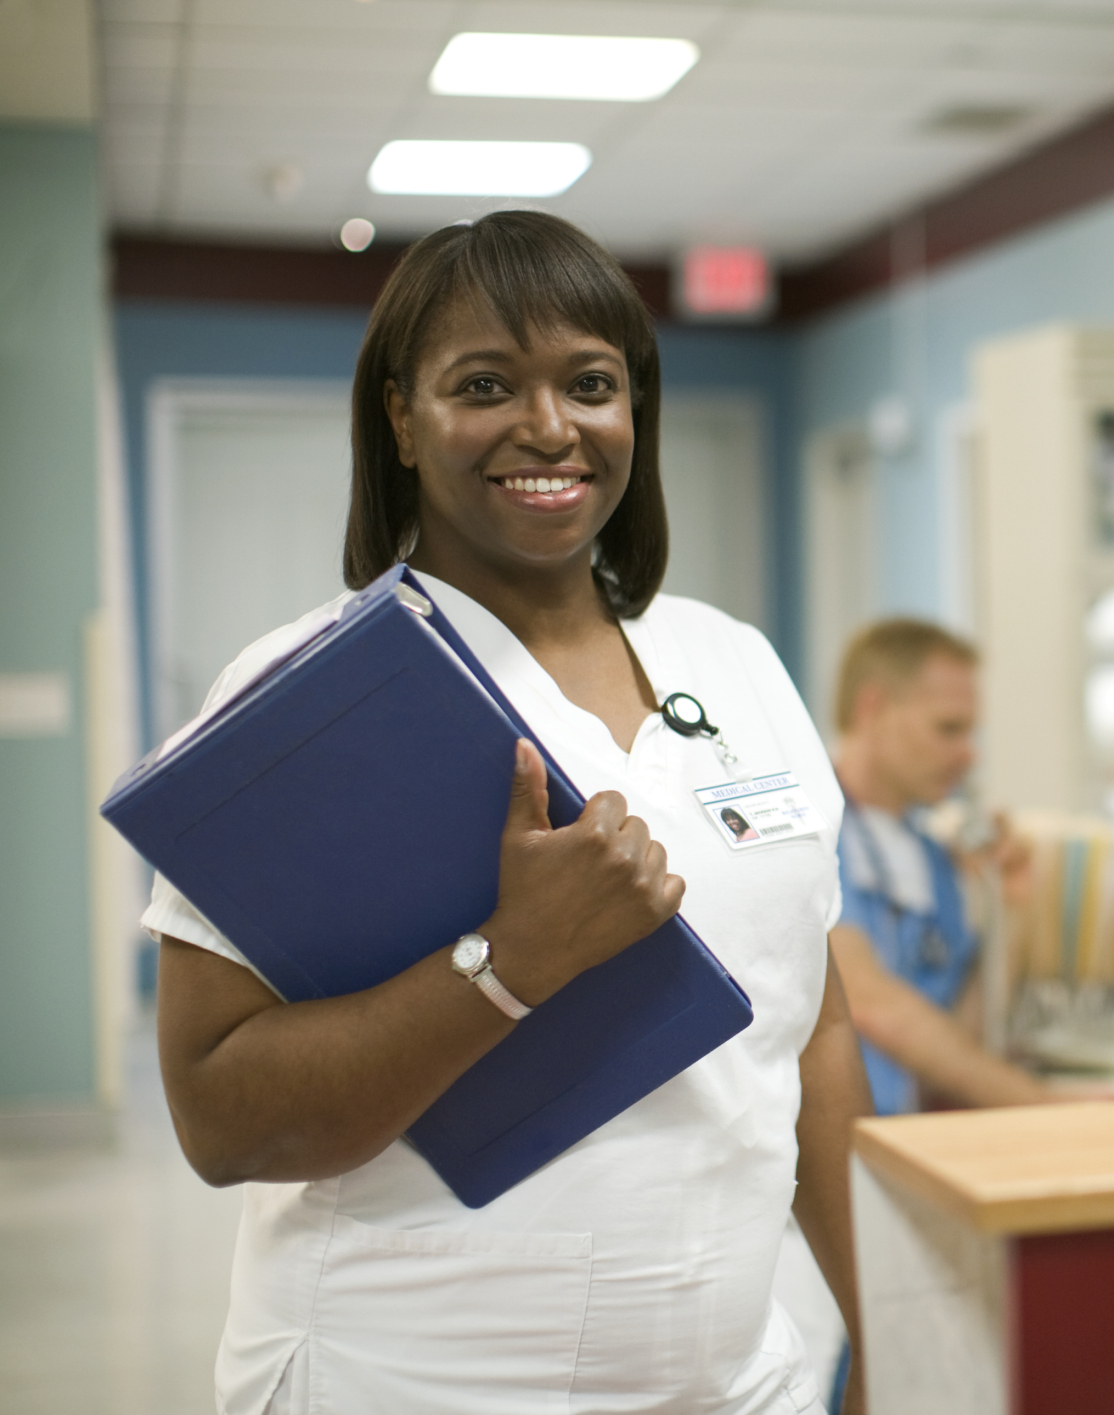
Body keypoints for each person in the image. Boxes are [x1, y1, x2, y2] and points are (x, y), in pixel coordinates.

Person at [147, 211, 871, 1413]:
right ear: (400, 416)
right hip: (414, 1376)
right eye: (484, 384)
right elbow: (221, 1118)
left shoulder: (732, 659)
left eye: (590, 383)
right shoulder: (307, 697)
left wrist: (878, 1322)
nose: (548, 426)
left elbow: (816, 1023)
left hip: (743, 1376)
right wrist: (509, 963)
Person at [828, 618, 1058, 1113]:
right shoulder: (807, 833)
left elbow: (960, 1038)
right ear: (873, 708)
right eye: (948, 729)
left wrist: (1008, 908)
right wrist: (1045, 1107)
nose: (968, 754)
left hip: (910, 1139)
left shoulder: (933, 857)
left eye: (971, 733)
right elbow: (872, 1006)